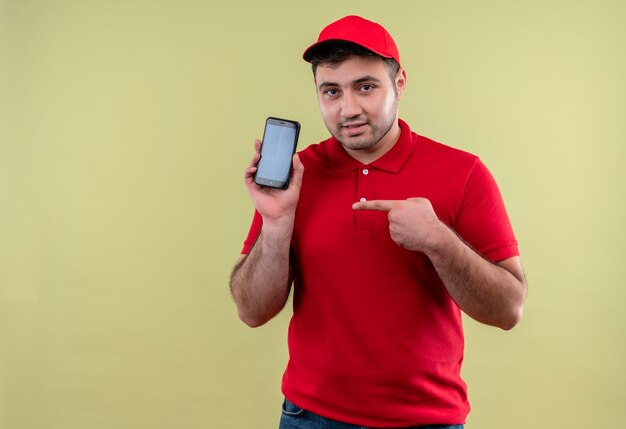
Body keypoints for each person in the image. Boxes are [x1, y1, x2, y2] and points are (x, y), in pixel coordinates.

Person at [229, 15, 527, 429]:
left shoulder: (463, 173)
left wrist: (439, 241)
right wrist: (276, 224)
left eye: (365, 87)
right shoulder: (297, 176)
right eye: (331, 91)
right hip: (309, 417)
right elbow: (251, 311)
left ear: (399, 83)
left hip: (427, 420)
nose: (348, 109)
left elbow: (508, 309)